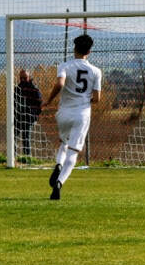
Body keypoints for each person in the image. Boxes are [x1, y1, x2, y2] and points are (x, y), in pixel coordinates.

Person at [42, 34, 102, 200]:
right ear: (89, 51)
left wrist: (48, 100)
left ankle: (58, 164)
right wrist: (84, 99)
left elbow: (60, 84)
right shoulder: (96, 71)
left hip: (64, 112)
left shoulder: (64, 66)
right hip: (82, 114)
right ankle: (60, 182)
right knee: (73, 151)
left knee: (64, 143)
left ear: (74, 49)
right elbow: (97, 99)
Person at [14, 69, 43, 157]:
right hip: (18, 116)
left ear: (29, 77)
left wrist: (34, 115)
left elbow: (40, 104)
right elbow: (14, 103)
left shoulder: (34, 89)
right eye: (21, 78)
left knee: (26, 137)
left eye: (25, 78)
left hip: (29, 117)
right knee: (13, 136)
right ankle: (13, 157)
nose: (22, 80)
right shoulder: (17, 88)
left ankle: (27, 157)